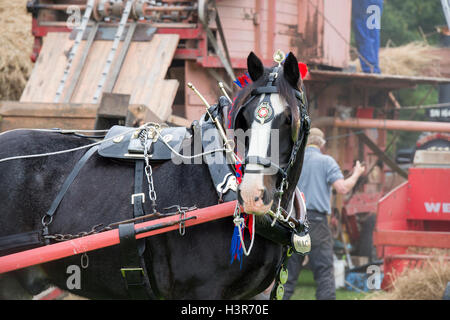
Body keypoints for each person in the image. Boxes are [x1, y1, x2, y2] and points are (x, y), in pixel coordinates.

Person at [283, 128, 365, 300]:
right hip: (317, 223)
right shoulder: (326, 161)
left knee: (288, 276)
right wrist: (356, 173)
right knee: (324, 273)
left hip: (293, 221)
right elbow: (342, 188)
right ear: (322, 144)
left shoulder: (295, 161)